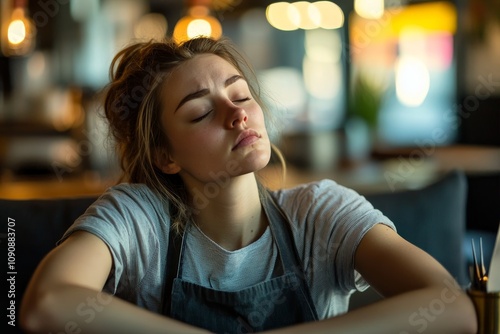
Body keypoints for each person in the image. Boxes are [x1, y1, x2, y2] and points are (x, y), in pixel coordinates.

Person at [20, 36, 477, 334]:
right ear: (166, 156)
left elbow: (451, 308)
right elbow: (47, 305)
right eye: (201, 112)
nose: (237, 114)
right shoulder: (140, 216)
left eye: (241, 95)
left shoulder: (319, 212)